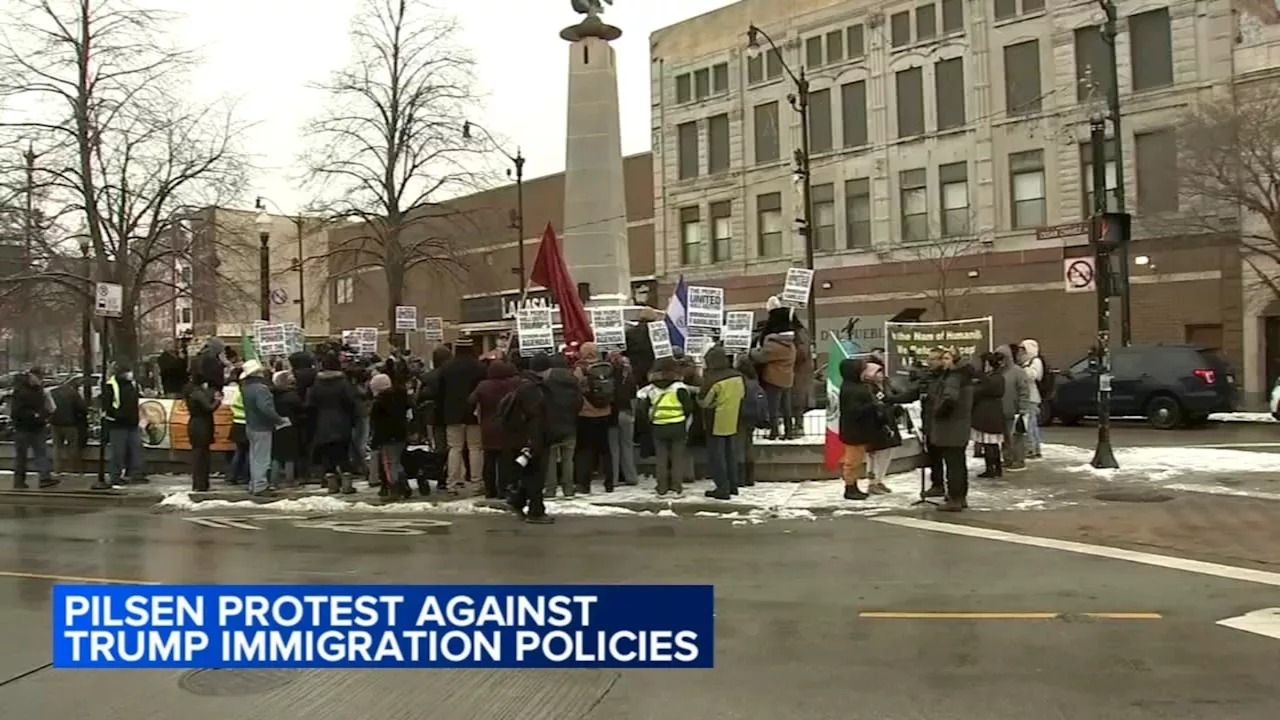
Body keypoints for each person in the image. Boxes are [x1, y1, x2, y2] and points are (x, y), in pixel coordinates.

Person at [888, 348, 974, 511]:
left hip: (950, 426)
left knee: (954, 464)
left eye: (946, 358)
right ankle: (958, 496)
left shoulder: (953, 378)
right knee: (955, 462)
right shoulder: (957, 377)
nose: (943, 361)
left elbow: (949, 399)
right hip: (955, 425)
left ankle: (955, 498)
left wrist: (937, 412)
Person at [502, 353, 555, 524]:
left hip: (521, 438)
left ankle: (518, 502)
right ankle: (536, 512)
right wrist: (535, 442)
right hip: (532, 439)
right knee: (536, 476)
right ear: (545, 370)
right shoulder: (532, 389)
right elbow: (535, 417)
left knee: (528, 474)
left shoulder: (523, 383)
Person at [636, 357, 695, 497]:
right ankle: (676, 488)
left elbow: (644, 409)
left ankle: (661, 488)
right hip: (678, 426)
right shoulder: (679, 387)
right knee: (677, 458)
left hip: (659, 426)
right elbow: (688, 407)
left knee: (661, 458)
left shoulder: (651, 388)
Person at [438, 339, 486, 492]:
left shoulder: (446, 367)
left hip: (452, 413)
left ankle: (452, 482)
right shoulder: (479, 367)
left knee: (454, 448)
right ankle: (476, 482)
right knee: (475, 448)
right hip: (473, 413)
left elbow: (440, 392)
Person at [307, 353, 358, 494]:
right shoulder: (343, 382)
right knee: (343, 453)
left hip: (323, 422)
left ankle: (332, 484)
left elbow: (310, 404)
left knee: (328, 454)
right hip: (342, 421)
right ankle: (347, 484)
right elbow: (350, 402)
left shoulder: (317, 384)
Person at [699, 346, 745, 500]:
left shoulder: (713, 379)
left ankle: (722, 488)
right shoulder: (737, 376)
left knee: (717, 456)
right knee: (730, 454)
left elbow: (704, 402)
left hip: (716, 421)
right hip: (733, 419)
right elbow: (742, 395)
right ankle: (733, 485)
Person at [469, 359, 519, 499]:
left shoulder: (483, 385)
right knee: (504, 461)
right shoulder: (510, 386)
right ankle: (503, 490)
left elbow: (471, 400)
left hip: (487, 426)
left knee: (489, 461)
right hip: (506, 426)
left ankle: (490, 490)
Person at [855, 358, 902, 495]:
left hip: (889, 422)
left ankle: (880, 479)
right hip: (876, 424)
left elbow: (893, 398)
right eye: (877, 372)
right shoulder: (868, 389)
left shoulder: (887, 385)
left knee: (887, 452)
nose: (880, 375)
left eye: (881, 372)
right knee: (874, 454)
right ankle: (872, 482)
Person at [574, 341, 615, 493]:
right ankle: (609, 482)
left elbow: (575, 388)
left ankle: (584, 484)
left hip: (586, 414)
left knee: (586, 450)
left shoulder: (580, 369)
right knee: (605, 450)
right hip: (605, 412)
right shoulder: (607, 367)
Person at [240, 360, 284, 497]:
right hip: (262, 426)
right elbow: (266, 408)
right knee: (262, 458)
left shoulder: (246, 388)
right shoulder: (261, 389)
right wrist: (278, 419)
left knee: (254, 456)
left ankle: (254, 484)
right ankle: (260, 485)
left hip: (251, 425)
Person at [542, 353, 584, 497]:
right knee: (568, 459)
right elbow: (579, 402)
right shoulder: (573, 380)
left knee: (550, 458)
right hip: (569, 424)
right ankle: (568, 488)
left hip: (550, 424)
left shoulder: (546, 380)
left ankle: (550, 489)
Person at [11, 367, 57, 489]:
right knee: (22, 456)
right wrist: (34, 415)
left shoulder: (39, 390)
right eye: (39, 377)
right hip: (23, 428)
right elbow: (16, 411)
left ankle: (44, 478)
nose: (41, 380)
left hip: (37, 426)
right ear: (31, 376)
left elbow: (45, 406)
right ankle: (19, 480)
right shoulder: (20, 390)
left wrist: (44, 415)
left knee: (41, 453)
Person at [369, 372, 412, 500]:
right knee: (397, 461)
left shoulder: (379, 402)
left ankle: (394, 488)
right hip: (400, 433)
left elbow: (376, 423)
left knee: (388, 463)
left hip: (386, 437)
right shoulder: (400, 397)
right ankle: (404, 485)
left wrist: (375, 440)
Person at [102, 363, 144, 486]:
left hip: (131, 422)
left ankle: (134, 473)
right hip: (118, 424)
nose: (130, 374)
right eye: (128, 372)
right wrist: (114, 416)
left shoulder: (132, 385)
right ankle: (115, 476)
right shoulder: (111, 385)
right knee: (118, 452)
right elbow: (107, 405)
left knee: (135, 449)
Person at [972, 352, 1008, 480]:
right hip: (994, 412)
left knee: (988, 443)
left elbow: (980, 391)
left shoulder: (990, 379)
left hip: (986, 413)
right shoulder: (999, 377)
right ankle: (996, 469)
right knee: (993, 444)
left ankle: (991, 469)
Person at [183, 371, 221, 492]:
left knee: (200, 455)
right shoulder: (197, 393)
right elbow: (209, 408)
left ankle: (200, 483)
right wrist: (217, 400)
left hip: (195, 424)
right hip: (202, 425)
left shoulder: (191, 391)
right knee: (201, 456)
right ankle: (201, 483)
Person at [757, 331, 798, 439]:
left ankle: (774, 432)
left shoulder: (775, 347)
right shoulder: (791, 345)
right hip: (787, 379)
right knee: (786, 408)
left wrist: (751, 351)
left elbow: (760, 357)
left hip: (774, 379)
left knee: (773, 408)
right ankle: (789, 431)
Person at [607, 351, 639, 487]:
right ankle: (631, 477)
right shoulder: (629, 377)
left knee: (613, 448)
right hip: (626, 412)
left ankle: (613, 479)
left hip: (611, 413)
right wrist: (634, 414)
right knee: (627, 446)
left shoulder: (606, 377)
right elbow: (634, 397)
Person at [997, 344, 1030, 472]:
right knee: (1004, 438)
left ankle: (1018, 459)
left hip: (1014, 410)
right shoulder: (998, 371)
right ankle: (1008, 458)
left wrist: (1023, 408)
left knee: (1016, 437)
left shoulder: (1018, 372)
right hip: (1001, 410)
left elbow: (1024, 390)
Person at [734, 356, 766, 488]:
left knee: (739, 447)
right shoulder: (754, 382)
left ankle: (741, 478)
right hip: (752, 417)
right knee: (748, 445)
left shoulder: (739, 382)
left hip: (740, 416)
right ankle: (750, 477)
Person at [49, 376, 88, 478]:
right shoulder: (73, 393)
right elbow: (82, 408)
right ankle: (73, 469)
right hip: (70, 423)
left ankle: (57, 469)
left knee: (57, 447)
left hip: (55, 423)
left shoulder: (53, 392)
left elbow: (48, 406)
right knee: (72, 446)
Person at [271, 370, 304, 489]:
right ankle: (289, 480)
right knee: (290, 455)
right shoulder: (293, 396)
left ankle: (274, 480)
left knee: (276, 455)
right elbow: (301, 411)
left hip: (276, 426)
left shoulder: (272, 395)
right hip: (291, 427)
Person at [1019, 338, 1046, 459]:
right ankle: (1032, 448)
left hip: (1032, 397)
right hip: (1027, 396)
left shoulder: (1035, 361)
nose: (1022, 352)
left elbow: (1035, 376)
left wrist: (1023, 370)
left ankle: (1033, 449)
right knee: (1029, 424)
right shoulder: (1026, 361)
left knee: (1030, 424)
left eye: (1024, 349)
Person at [348, 363, 374, 484]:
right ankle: (363, 467)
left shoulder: (352, 389)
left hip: (356, 416)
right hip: (362, 416)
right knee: (360, 443)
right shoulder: (364, 388)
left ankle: (362, 467)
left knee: (358, 443)